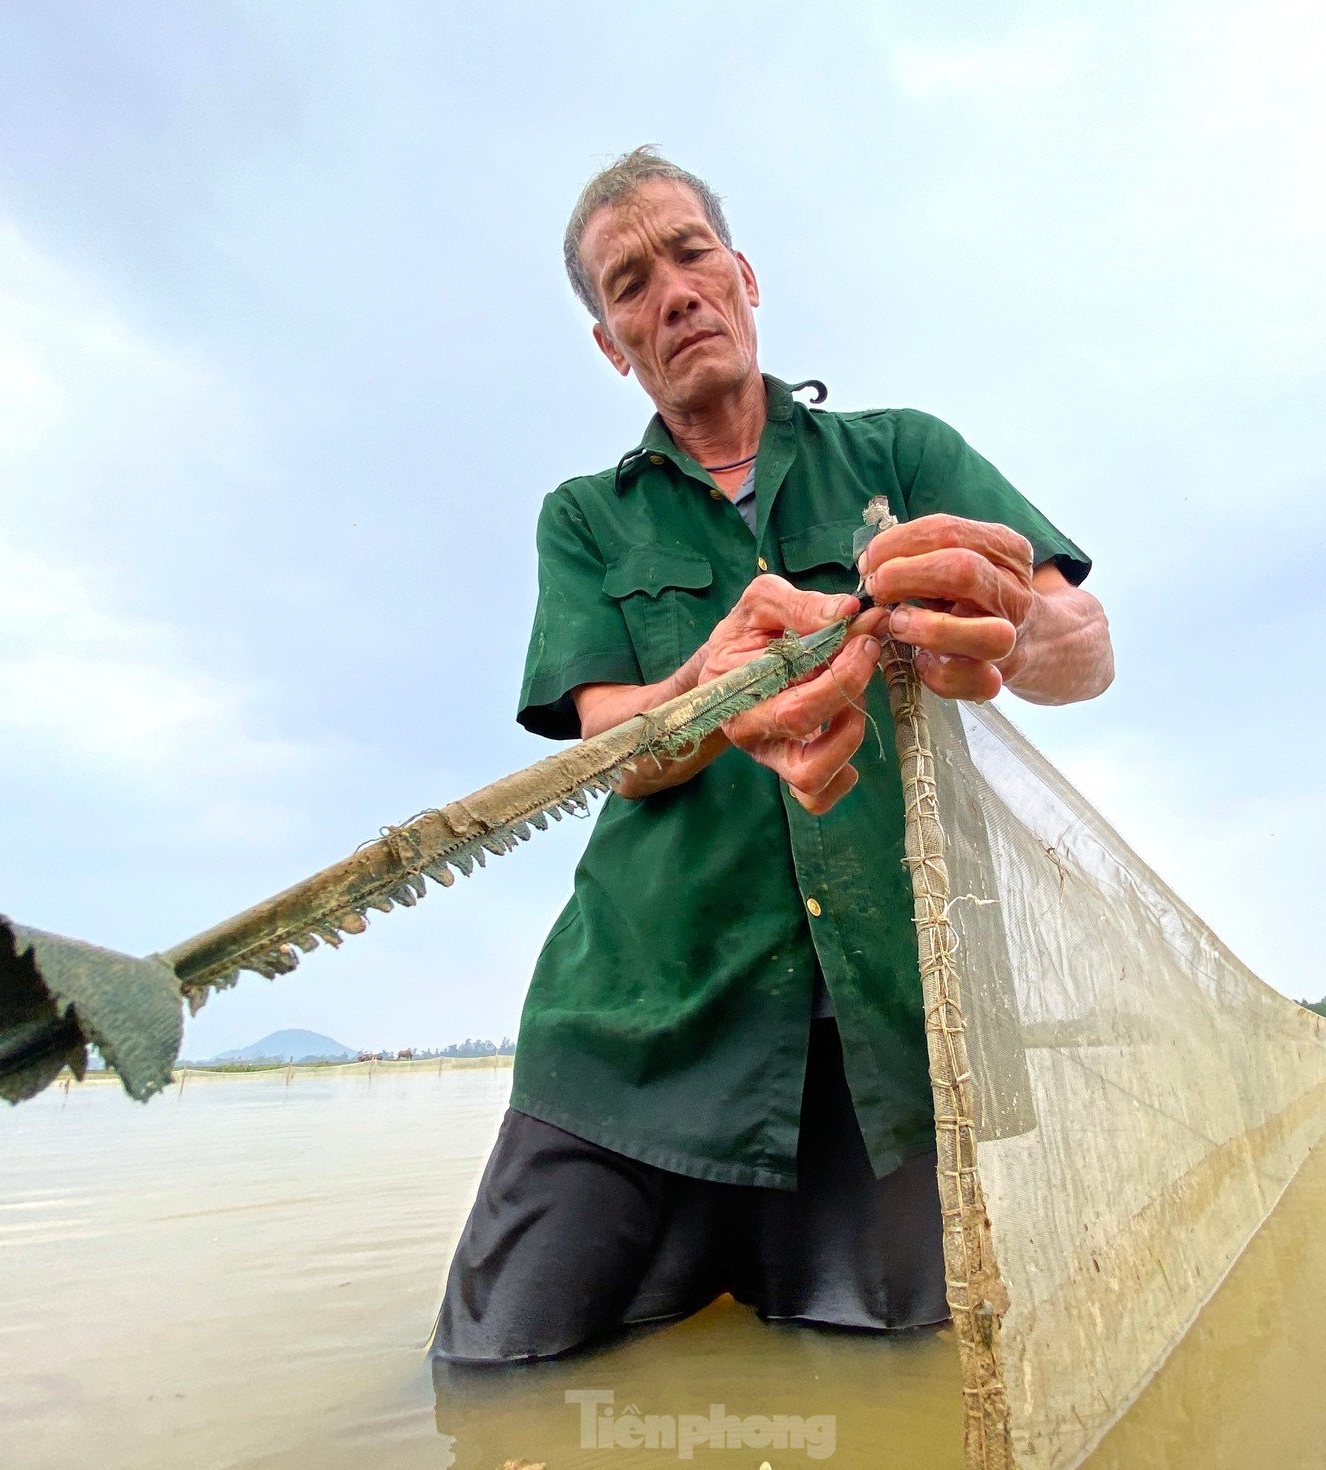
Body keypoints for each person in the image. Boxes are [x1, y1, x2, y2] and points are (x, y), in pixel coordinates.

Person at [433, 147, 1112, 1363]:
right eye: (629, 282)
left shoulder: (901, 453)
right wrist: (703, 678)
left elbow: (1083, 649)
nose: (675, 291)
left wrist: (1002, 620)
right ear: (611, 345)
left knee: (884, 1374)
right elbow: (610, 749)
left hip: (884, 1031)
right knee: (497, 1370)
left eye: (692, 253)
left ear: (743, 275)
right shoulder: (586, 516)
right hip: (638, 1015)